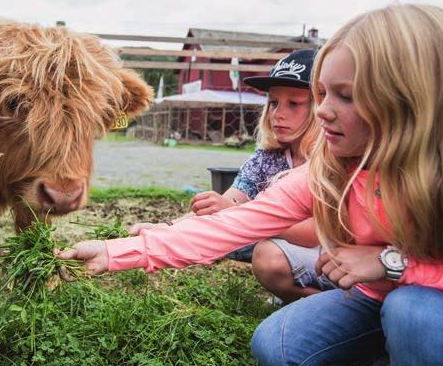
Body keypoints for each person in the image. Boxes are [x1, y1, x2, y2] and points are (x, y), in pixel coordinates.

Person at [60, 4, 443, 366]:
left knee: (416, 311)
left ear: (412, 101)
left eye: (346, 96)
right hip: (375, 303)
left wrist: (396, 265)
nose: (324, 110)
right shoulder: (329, 168)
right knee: (278, 347)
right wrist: (112, 251)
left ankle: (429, 361)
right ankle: (392, 362)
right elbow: (234, 223)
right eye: (323, 92)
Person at [130, 49, 330, 303]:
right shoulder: (268, 157)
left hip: (332, 257)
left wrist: (240, 211)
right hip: (288, 245)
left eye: (294, 103)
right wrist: (167, 228)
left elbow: (315, 233)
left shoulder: (330, 160)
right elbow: (224, 205)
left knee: (267, 256)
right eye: (273, 102)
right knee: (230, 235)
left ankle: (336, 305)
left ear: (320, 107)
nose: (278, 113)